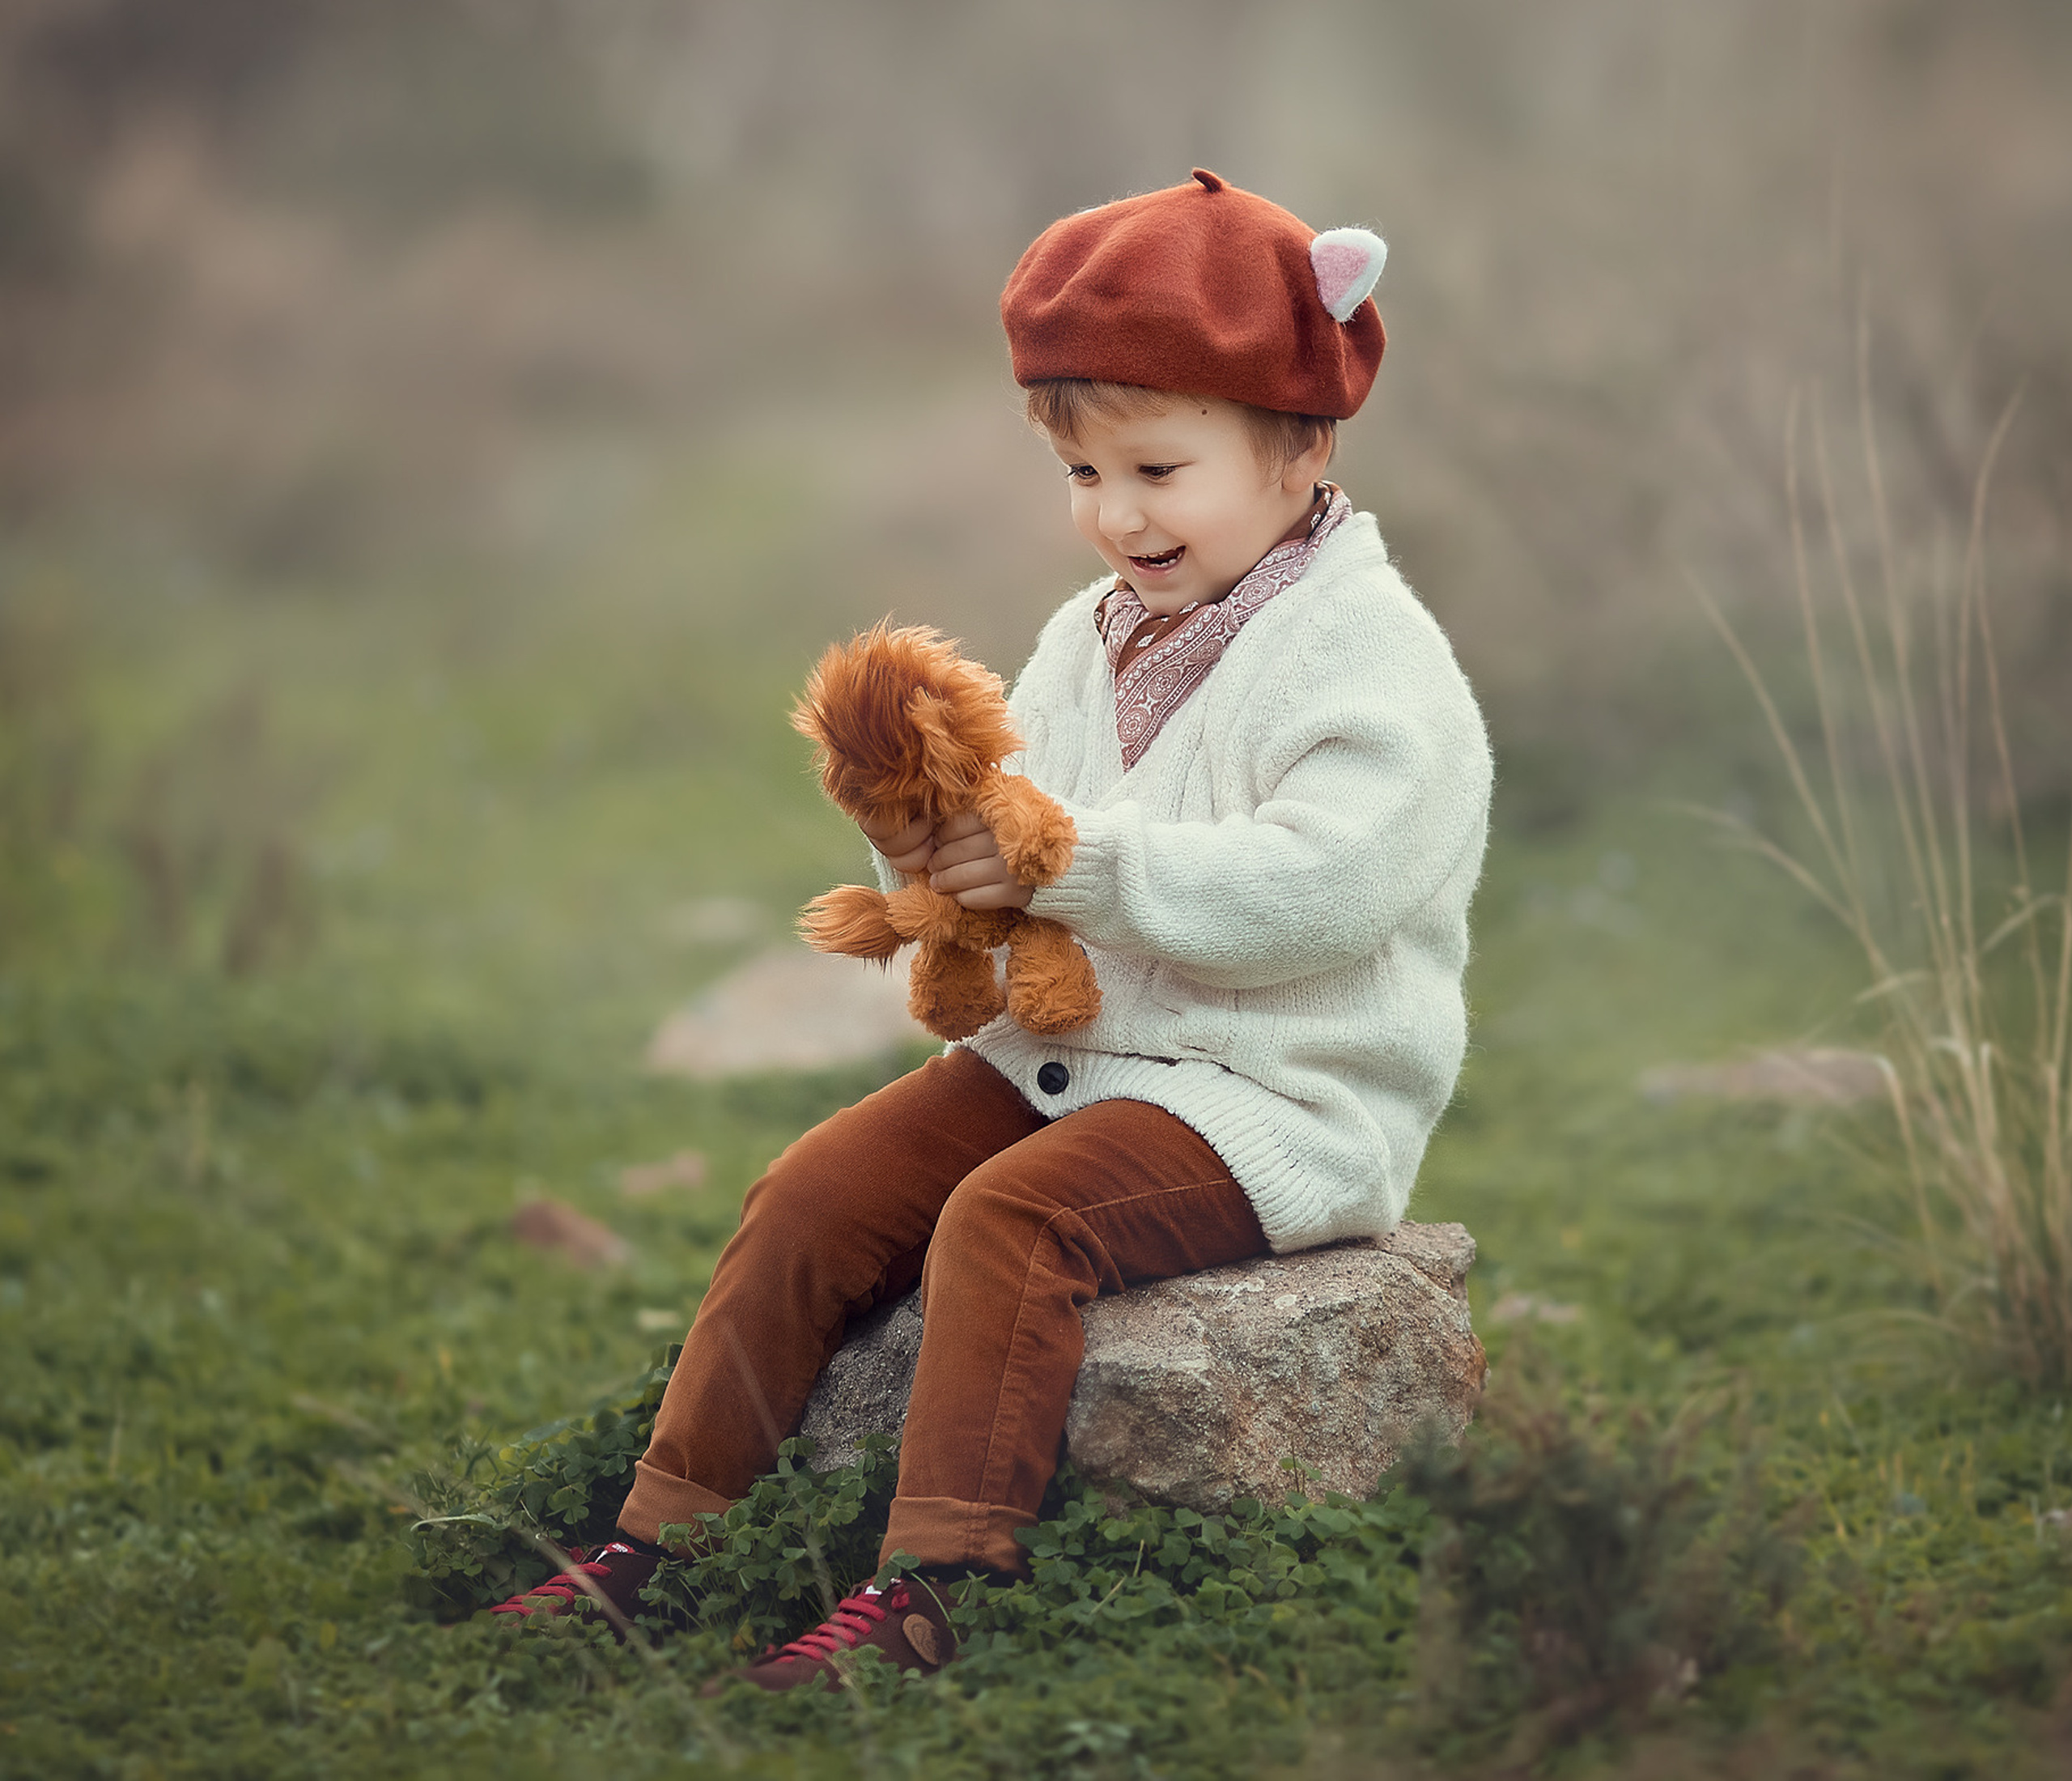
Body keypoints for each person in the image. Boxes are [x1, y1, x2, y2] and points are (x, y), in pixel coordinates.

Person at [489, 169, 1492, 1690]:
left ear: (1303, 445)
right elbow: (1016, 818)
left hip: (1278, 1094)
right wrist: (924, 840)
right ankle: (667, 1536)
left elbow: (1318, 890)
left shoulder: (1369, 662)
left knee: (1012, 1222)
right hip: (1075, 1054)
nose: (1118, 515)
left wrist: (1072, 862)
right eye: (1084, 474)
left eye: (1159, 469)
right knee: (814, 1192)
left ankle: (938, 1581)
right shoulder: (1094, 634)